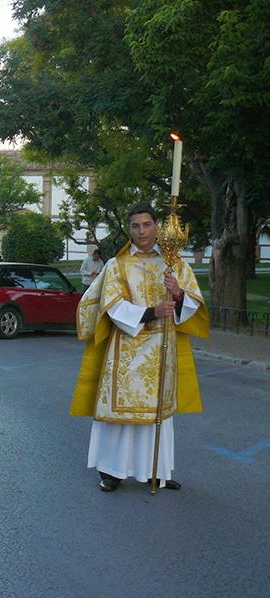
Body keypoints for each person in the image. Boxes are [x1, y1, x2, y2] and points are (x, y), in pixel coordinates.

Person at [70, 202, 208, 491]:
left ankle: (156, 470)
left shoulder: (174, 264)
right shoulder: (117, 265)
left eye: (147, 224)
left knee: (157, 415)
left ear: (156, 226)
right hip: (126, 350)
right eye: (135, 225)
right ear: (129, 229)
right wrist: (151, 313)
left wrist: (178, 293)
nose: (141, 231)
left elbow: (194, 302)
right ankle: (112, 471)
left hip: (162, 349)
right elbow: (112, 306)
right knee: (121, 415)